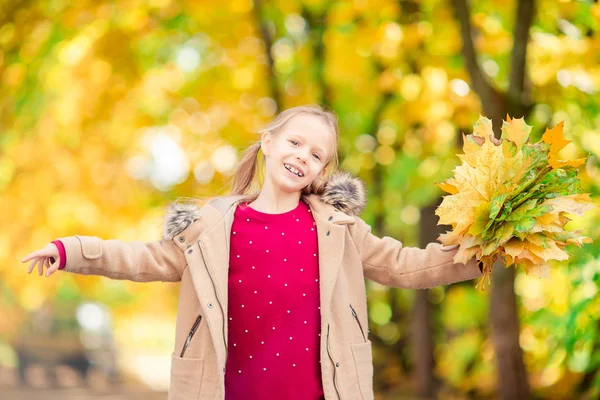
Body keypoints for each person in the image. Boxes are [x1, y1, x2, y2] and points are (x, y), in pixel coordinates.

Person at [21, 104, 483, 400]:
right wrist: (71, 250)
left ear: (323, 169)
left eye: (317, 154)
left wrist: (476, 253)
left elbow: (403, 265)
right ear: (268, 143)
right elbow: (143, 258)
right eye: (295, 142)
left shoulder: (337, 228)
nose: (303, 156)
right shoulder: (212, 227)